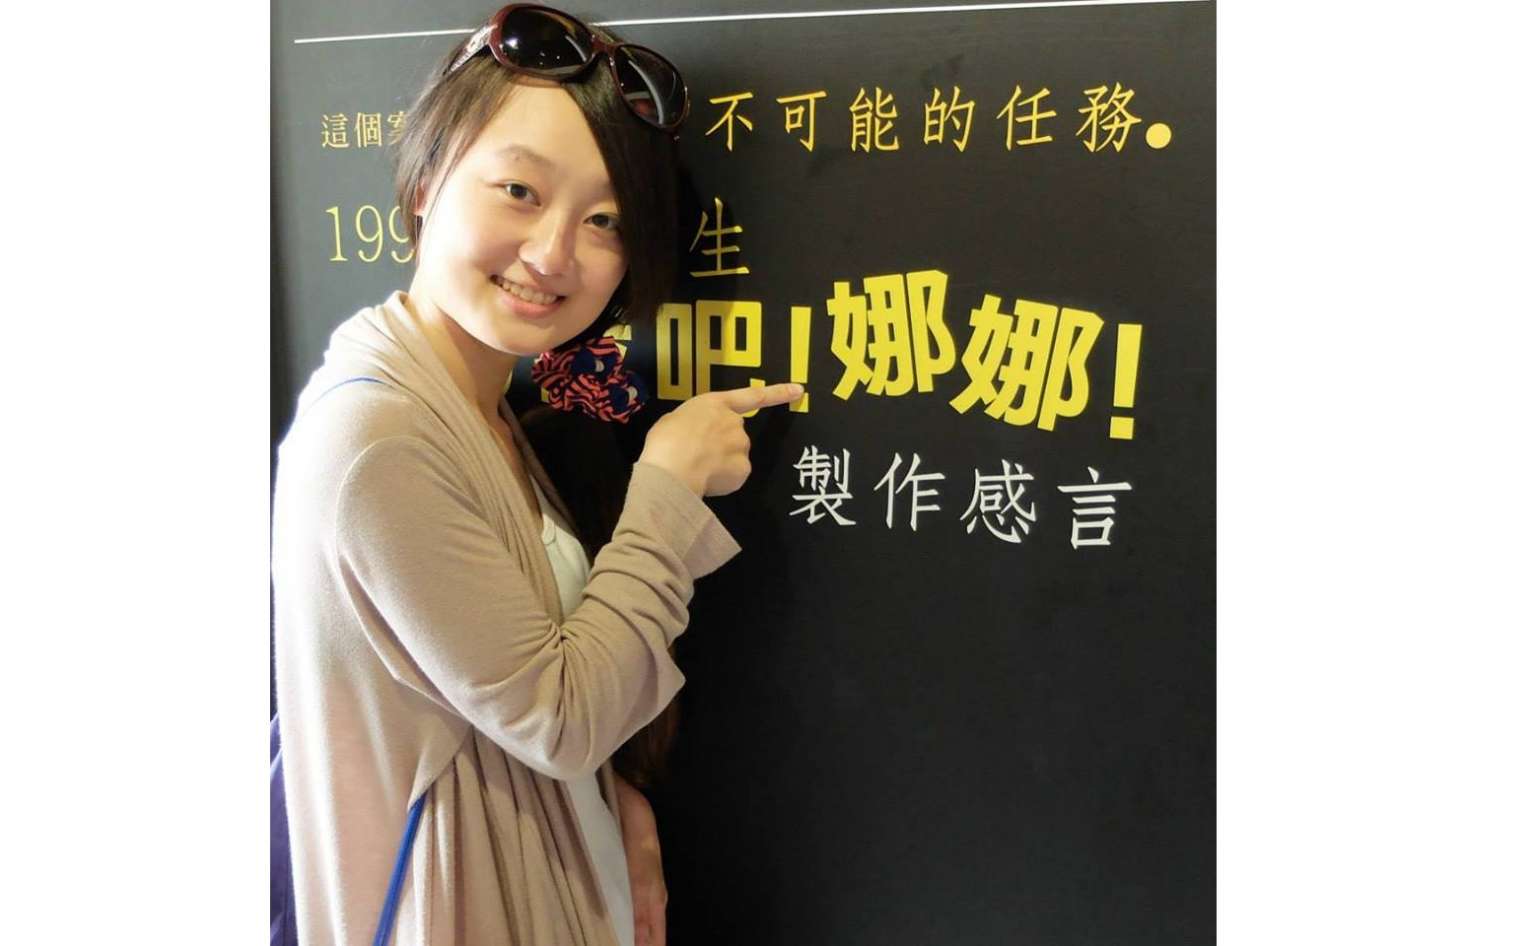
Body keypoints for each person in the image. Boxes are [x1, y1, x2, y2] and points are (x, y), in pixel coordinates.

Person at [271, 6, 802, 945]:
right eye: (518, 189)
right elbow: (557, 717)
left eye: (605, 220)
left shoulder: (467, 401)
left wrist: (614, 803)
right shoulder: (380, 441)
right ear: (427, 182)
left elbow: (502, 692)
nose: (554, 253)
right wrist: (667, 489)